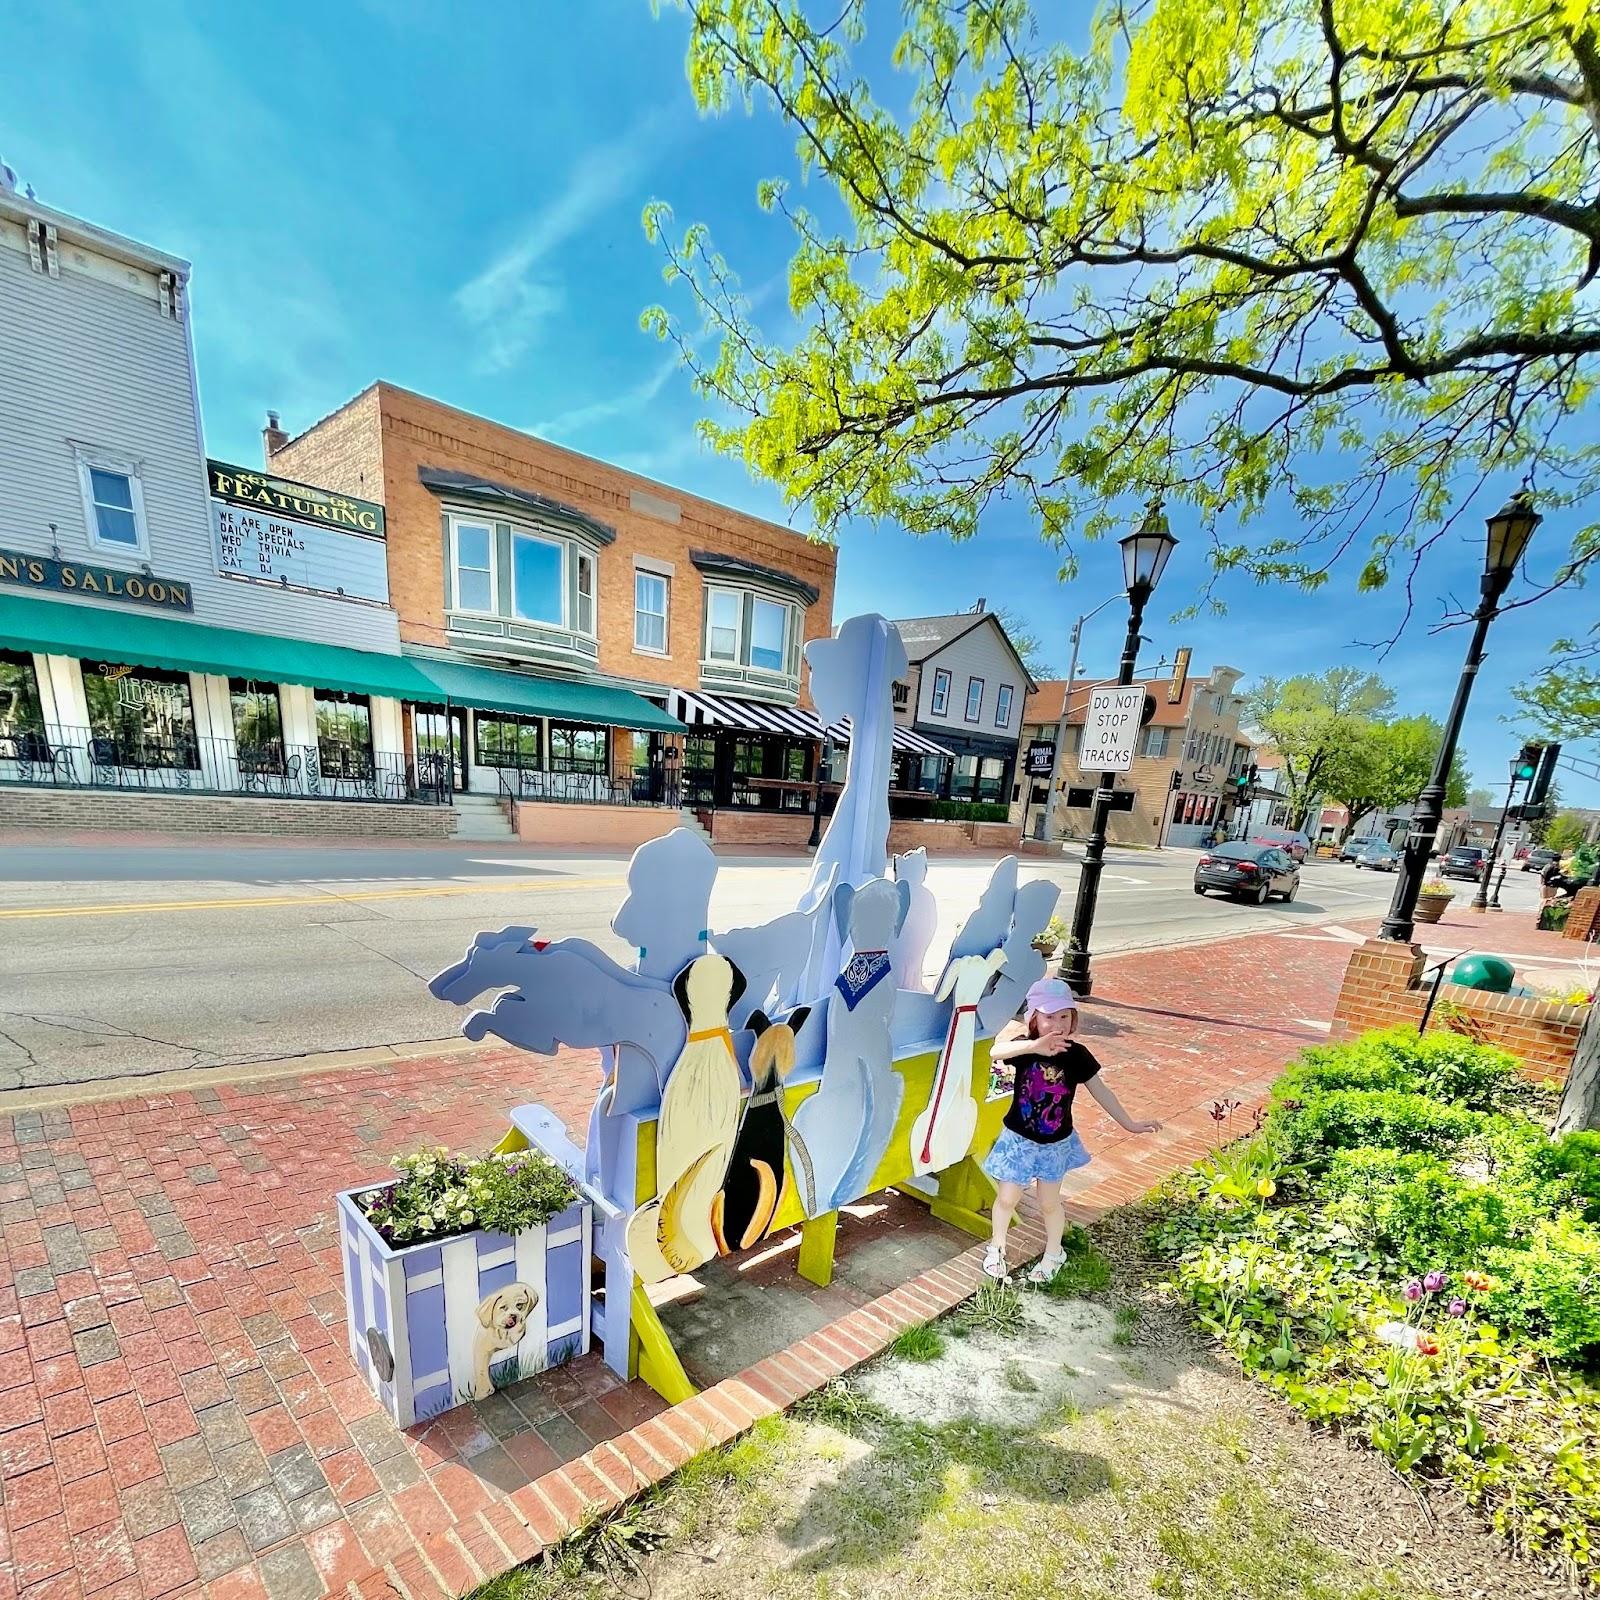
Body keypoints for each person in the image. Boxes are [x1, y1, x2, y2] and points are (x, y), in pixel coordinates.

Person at [981, 977, 1161, 1283]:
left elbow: (1101, 1091)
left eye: (1064, 1016)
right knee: (1007, 1198)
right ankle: (996, 1247)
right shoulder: (1025, 1048)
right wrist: (1035, 1045)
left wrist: (1129, 1124)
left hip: (1055, 1144)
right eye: (1049, 1016)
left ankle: (1054, 1253)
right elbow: (993, 1052)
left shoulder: (1077, 1056)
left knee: (1049, 1202)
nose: (1057, 1023)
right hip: (1018, 1141)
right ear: (1034, 1018)